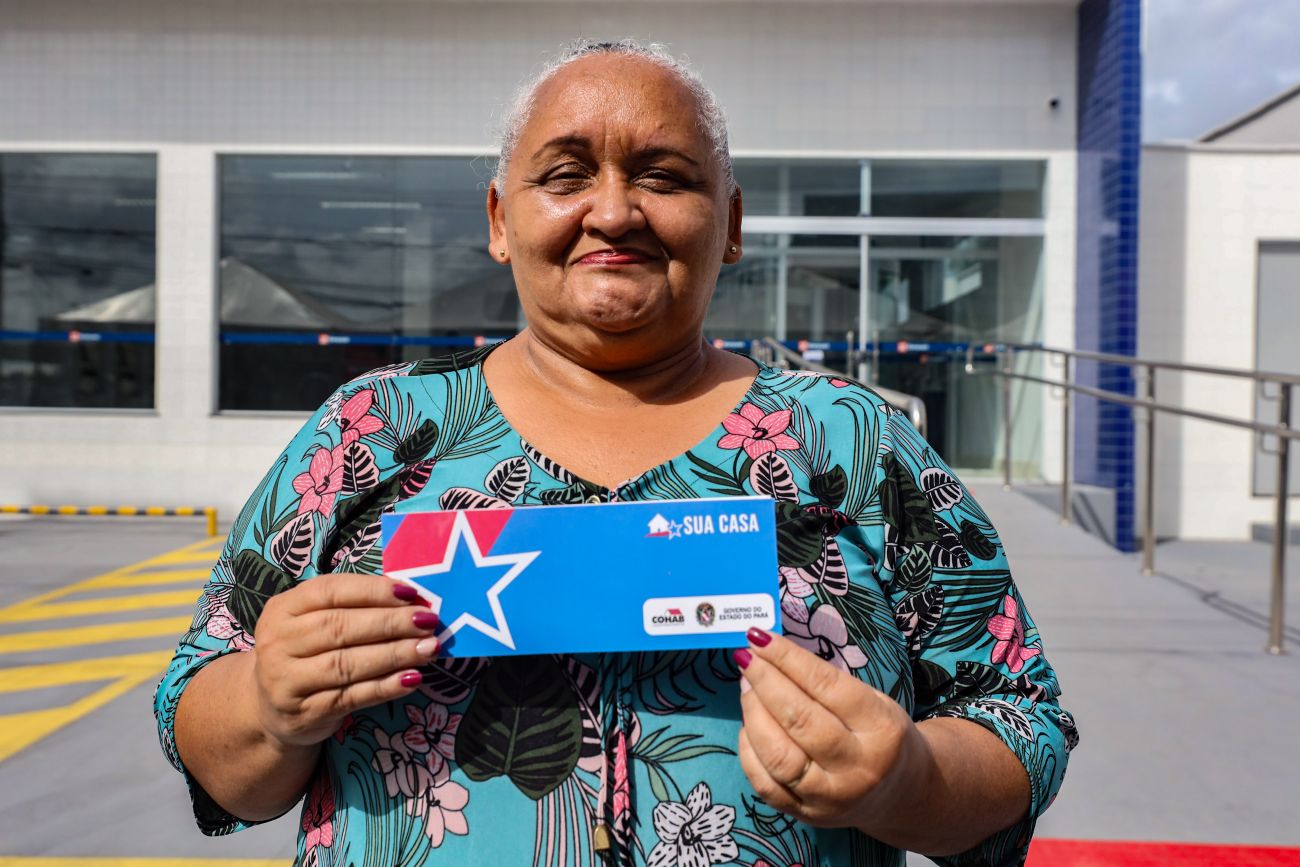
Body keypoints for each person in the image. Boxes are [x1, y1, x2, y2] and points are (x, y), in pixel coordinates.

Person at [154, 39, 1077, 867]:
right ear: (500, 219)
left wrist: (908, 780)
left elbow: (1019, 720)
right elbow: (208, 736)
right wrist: (267, 704)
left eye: (664, 176)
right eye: (565, 175)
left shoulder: (852, 442)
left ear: (732, 222)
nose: (613, 210)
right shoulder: (373, 431)